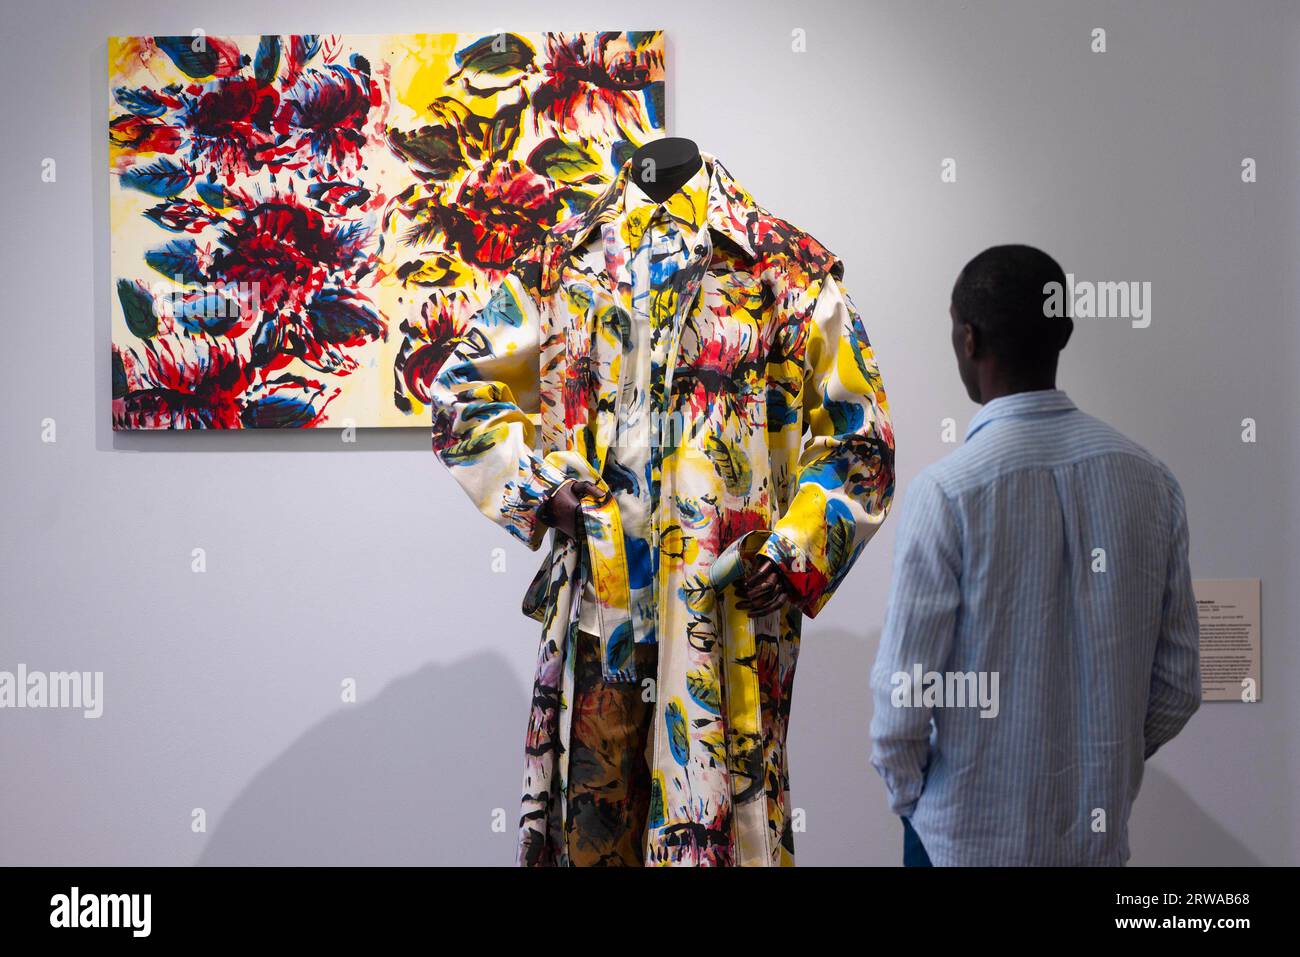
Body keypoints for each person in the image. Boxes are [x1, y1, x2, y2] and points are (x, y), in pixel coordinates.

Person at [869, 245, 1201, 866]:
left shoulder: (947, 492)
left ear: (968, 339)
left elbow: (902, 702)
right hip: (1093, 847)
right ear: (1064, 332)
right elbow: (1179, 685)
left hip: (959, 845)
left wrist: (919, 804)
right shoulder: (1151, 484)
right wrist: (1097, 763)